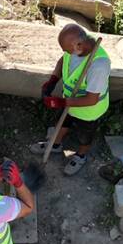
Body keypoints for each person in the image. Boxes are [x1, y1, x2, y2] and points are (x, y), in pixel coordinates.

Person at [30, 23, 111, 176]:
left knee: (84, 136)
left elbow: (91, 99)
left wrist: (61, 102)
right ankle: (55, 145)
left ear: (79, 44)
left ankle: (81, 156)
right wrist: (53, 80)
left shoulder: (99, 65)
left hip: (89, 111)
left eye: (68, 50)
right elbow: (63, 60)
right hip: (70, 101)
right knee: (62, 122)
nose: (67, 53)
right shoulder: (76, 49)